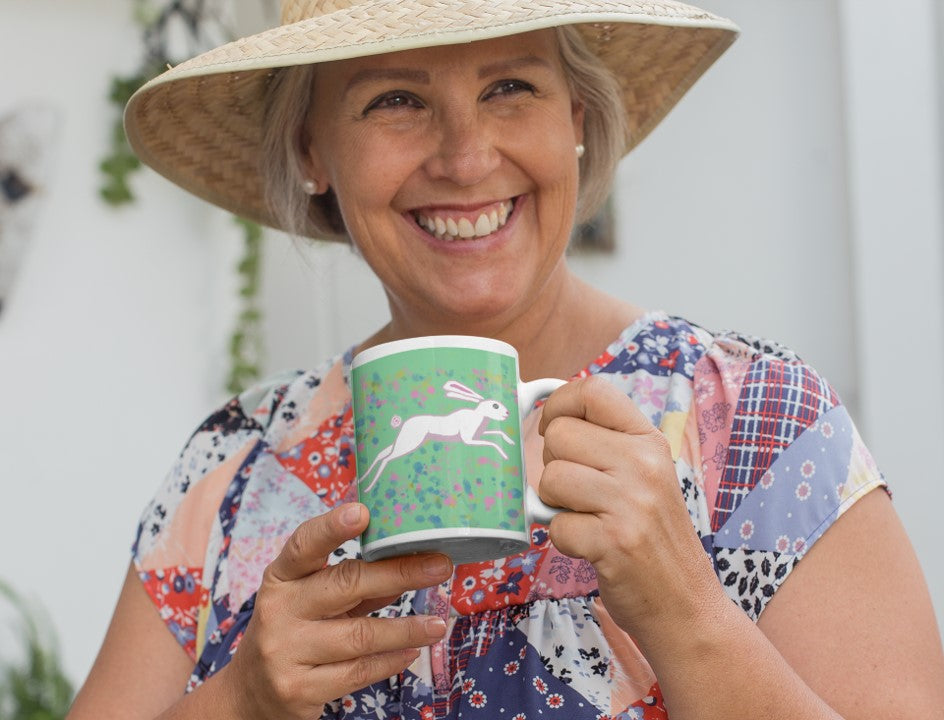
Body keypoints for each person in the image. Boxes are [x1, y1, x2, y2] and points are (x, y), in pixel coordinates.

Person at [68, 1, 944, 718]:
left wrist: (687, 612)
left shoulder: (749, 421)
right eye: (394, 100)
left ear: (577, 117)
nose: (466, 156)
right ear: (311, 151)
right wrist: (245, 700)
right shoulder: (235, 471)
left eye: (511, 86)